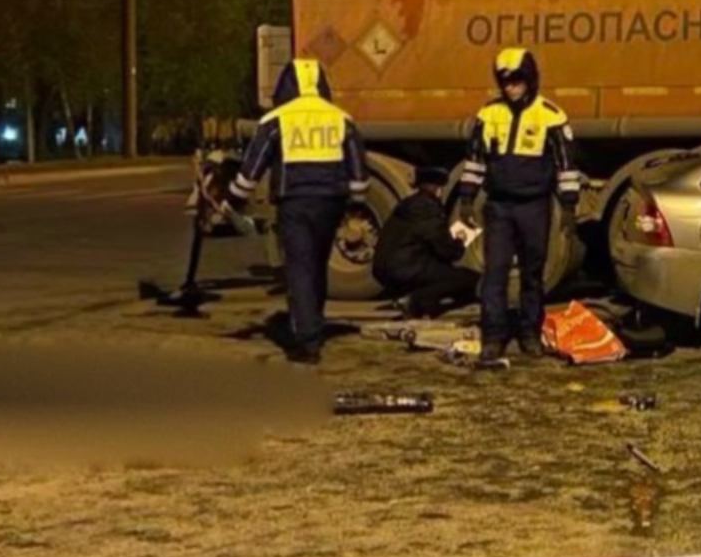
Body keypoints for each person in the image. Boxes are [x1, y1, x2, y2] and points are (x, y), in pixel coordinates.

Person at [227, 58, 368, 364]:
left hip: (294, 201)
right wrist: (356, 201)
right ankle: (314, 319)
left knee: (299, 268)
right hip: (330, 202)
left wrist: (235, 197)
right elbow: (358, 165)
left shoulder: (276, 119)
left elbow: (254, 166)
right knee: (317, 265)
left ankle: (307, 341)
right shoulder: (341, 118)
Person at [457, 48, 581, 363]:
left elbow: (566, 165)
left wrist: (569, 207)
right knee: (494, 272)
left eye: (517, 80)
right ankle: (493, 336)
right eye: (505, 82)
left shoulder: (551, 116)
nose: (510, 87)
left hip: (534, 206)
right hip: (499, 207)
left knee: (532, 273)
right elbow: (474, 161)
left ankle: (529, 334)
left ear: (530, 79)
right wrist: (467, 199)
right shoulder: (488, 114)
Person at [373, 165, 479, 319]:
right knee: (468, 278)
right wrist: (460, 240)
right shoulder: (429, 209)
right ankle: (415, 300)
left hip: (383, 269)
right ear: (438, 189)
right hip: (406, 269)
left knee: (439, 271)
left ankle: (409, 298)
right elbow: (447, 251)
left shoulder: (407, 204)